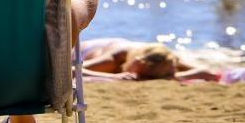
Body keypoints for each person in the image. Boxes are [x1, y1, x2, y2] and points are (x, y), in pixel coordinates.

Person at [78, 39, 217, 81]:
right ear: (138, 62)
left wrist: (174, 76)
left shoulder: (165, 59)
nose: (138, 77)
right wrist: (116, 77)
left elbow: (208, 72)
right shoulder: (117, 58)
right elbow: (73, 70)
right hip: (84, 49)